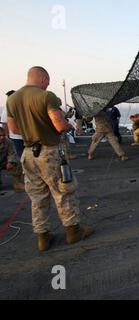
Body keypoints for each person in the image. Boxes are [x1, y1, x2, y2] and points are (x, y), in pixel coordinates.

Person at [6, 66, 93, 252]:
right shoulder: (46, 96)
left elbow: (13, 129)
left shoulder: (12, 99)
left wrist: (33, 131)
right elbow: (60, 125)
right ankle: (73, 231)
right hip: (49, 152)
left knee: (37, 196)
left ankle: (42, 237)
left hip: (28, 153)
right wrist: (68, 126)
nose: (48, 84)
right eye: (47, 81)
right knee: (63, 191)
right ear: (43, 78)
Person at [1, 91, 24, 159]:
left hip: (16, 137)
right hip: (18, 137)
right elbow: (4, 123)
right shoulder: (24, 105)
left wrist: (6, 136)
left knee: (19, 157)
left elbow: (4, 123)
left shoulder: (8, 106)